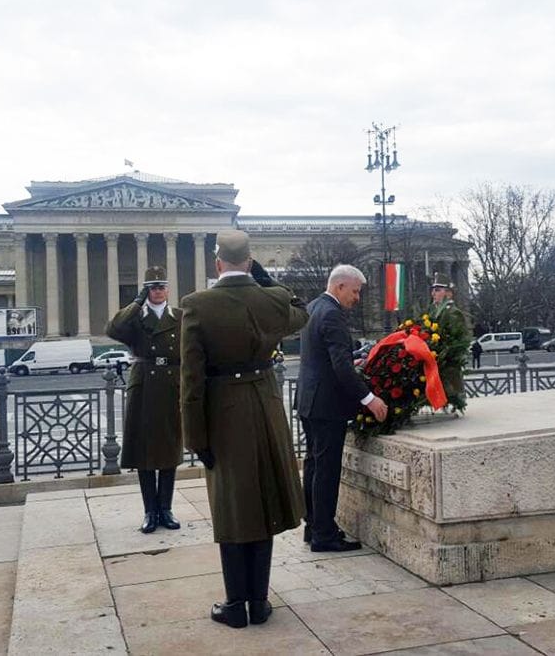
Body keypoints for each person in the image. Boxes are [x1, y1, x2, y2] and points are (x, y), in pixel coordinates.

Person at [179, 230, 308, 629]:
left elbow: (191, 382)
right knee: (265, 501)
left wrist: (195, 437)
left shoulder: (197, 305)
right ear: (250, 263)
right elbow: (301, 310)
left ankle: (236, 605)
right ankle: (259, 600)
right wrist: (266, 281)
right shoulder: (271, 300)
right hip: (265, 408)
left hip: (224, 413)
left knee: (233, 508)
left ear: (217, 264)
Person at [298, 264, 388, 553]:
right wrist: (369, 399)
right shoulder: (333, 315)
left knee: (313, 466)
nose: (357, 297)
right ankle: (325, 535)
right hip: (327, 406)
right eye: (355, 291)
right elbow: (340, 368)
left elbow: (325, 358)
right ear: (339, 287)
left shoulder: (314, 307)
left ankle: (313, 526)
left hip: (309, 401)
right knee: (326, 470)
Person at [106, 266, 183, 534]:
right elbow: (113, 328)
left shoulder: (179, 316)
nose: (158, 291)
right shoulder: (136, 318)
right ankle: (150, 510)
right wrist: (137, 302)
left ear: (167, 289)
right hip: (144, 385)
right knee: (144, 450)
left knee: (170, 449)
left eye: (161, 286)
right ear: (146, 290)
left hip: (171, 384)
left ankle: (166, 508)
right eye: (152, 287)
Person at [427, 272, 469, 408]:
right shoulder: (435, 311)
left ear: (449, 294)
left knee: (453, 393)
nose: (433, 293)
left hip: (448, 361)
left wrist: (443, 350)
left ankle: (456, 403)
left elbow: (458, 339)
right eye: (433, 290)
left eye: (438, 290)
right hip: (438, 358)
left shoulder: (452, 312)